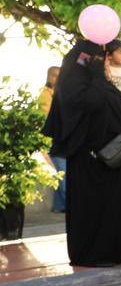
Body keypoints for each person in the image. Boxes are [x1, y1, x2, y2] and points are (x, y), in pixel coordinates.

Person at [42, 38, 121, 266]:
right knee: (99, 211)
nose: (105, 64)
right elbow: (90, 110)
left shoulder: (99, 84)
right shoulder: (78, 89)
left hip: (117, 163)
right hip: (94, 165)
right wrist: (99, 77)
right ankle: (102, 252)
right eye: (101, 60)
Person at [38, 66, 67, 213]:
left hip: (60, 139)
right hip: (53, 141)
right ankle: (69, 204)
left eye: (59, 75)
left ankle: (59, 206)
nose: (56, 78)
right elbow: (49, 118)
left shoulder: (58, 94)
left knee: (61, 172)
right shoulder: (45, 95)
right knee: (62, 173)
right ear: (49, 76)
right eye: (54, 75)